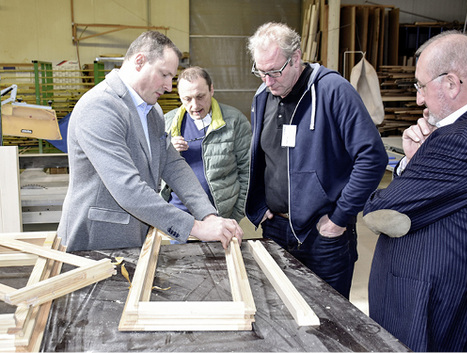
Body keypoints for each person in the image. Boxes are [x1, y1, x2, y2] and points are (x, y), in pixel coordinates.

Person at [363, 31, 467, 352]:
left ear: (452, 84)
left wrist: (409, 164)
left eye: (420, 87)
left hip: (438, 313)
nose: (418, 100)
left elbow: (381, 213)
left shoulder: (459, 140)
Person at [58, 31, 243, 252]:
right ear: (140, 61)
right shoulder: (100, 107)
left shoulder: (152, 110)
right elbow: (128, 189)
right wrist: (196, 228)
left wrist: (208, 214)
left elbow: (172, 164)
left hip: (135, 237)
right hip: (96, 242)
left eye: (171, 78)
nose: (168, 87)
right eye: (164, 75)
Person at [245, 22, 388, 298]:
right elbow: (263, 157)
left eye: (274, 71)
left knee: (330, 324)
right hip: (276, 228)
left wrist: (340, 218)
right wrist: (261, 204)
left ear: (296, 58)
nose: (267, 81)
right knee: (280, 316)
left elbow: (372, 156)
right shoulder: (263, 97)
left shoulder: (333, 91)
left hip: (324, 236)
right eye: (260, 72)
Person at [161, 67, 251, 225]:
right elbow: (151, 171)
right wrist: (167, 153)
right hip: (179, 216)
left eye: (200, 96)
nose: (195, 105)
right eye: (187, 99)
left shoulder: (235, 121)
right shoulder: (167, 123)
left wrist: (235, 214)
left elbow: (248, 171)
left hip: (220, 215)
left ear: (211, 90)